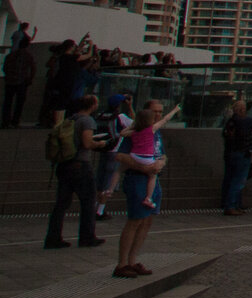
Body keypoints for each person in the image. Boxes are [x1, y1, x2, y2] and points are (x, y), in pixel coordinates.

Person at [44, 93, 106, 249]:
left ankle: (53, 237)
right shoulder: (87, 120)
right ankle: (87, 237)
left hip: (64, 164)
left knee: (61, 203)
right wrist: (99, 144)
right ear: (92, 105)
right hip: (80, 165)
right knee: (88, 202)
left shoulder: (70, 119)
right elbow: (86, 143)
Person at [114, 99, 167, 279]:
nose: (158, 115)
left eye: (160, 112)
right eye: (155, 111)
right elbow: (120, 156)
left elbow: (162, 153)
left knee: (147, 221)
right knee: (135, 220)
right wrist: (143, 168)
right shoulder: (137, 131)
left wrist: (161, 162)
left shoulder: (156, 133)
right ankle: (122, 263)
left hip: (153, 180)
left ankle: (133, 259)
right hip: (137, 179)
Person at [220, 100, 252, 215]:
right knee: (237, 180)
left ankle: (231, 203)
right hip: (240, 154)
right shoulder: (242, 122)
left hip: (232, 154)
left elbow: (228, 136)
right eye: (244, 109)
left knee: (231, 179)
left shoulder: (231, 122)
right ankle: (231, 205)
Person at [95, 93, 132, 219]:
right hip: (115, 151)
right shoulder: (120, 117)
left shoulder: (102, 115)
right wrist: (130, 107)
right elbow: (136, 123)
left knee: (101, 181)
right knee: (109, 183)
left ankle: (95, 207)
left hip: (103, 150)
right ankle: (99, 211)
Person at [3, 34, 36, 128]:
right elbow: (33, 68)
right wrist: (30, 79)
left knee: (8, 102)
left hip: (10, 81)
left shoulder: (11, 55)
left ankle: (5, 121)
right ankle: (15, 121)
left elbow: (5, 67)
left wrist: (8, 75)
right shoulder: (28, 56)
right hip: (22, 82)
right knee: (19, 103)